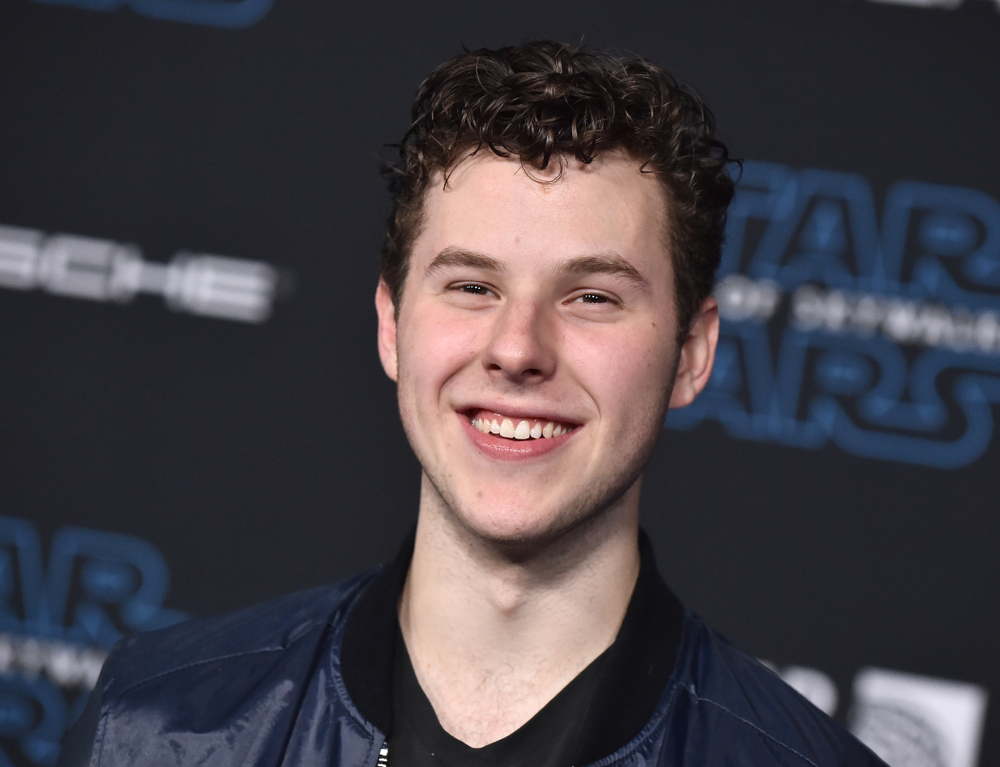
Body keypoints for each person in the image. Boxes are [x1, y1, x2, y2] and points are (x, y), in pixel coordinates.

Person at [59, 41, 886, 767]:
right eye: (472, 285)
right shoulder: (154, 727)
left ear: (691, 353)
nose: (517, 347)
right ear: (392, 324)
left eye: (592, 296)